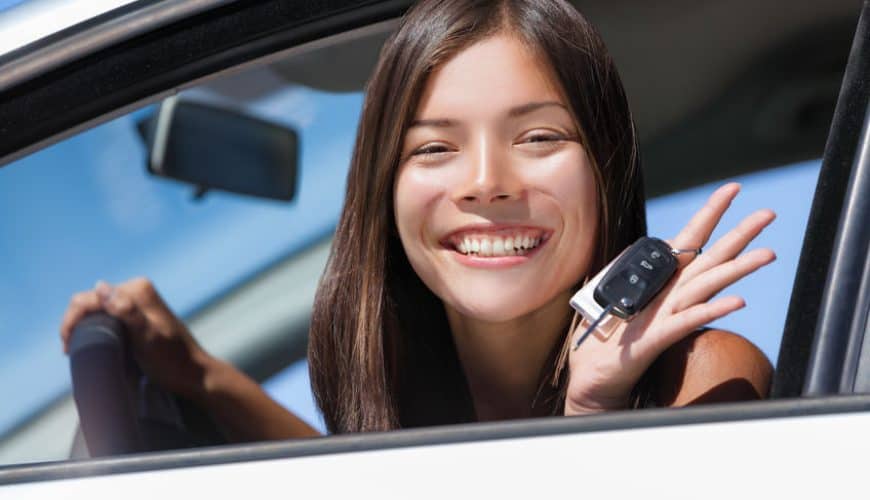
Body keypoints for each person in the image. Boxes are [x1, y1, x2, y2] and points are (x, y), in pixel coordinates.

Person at [60, 0, 774, 439]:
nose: (488, 183)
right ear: (383, 192)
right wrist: (204, 377)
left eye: (539, 138)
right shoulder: (409, 387)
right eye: (434, 148)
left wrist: (591, 416)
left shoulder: (705, 378)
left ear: (606, 171)